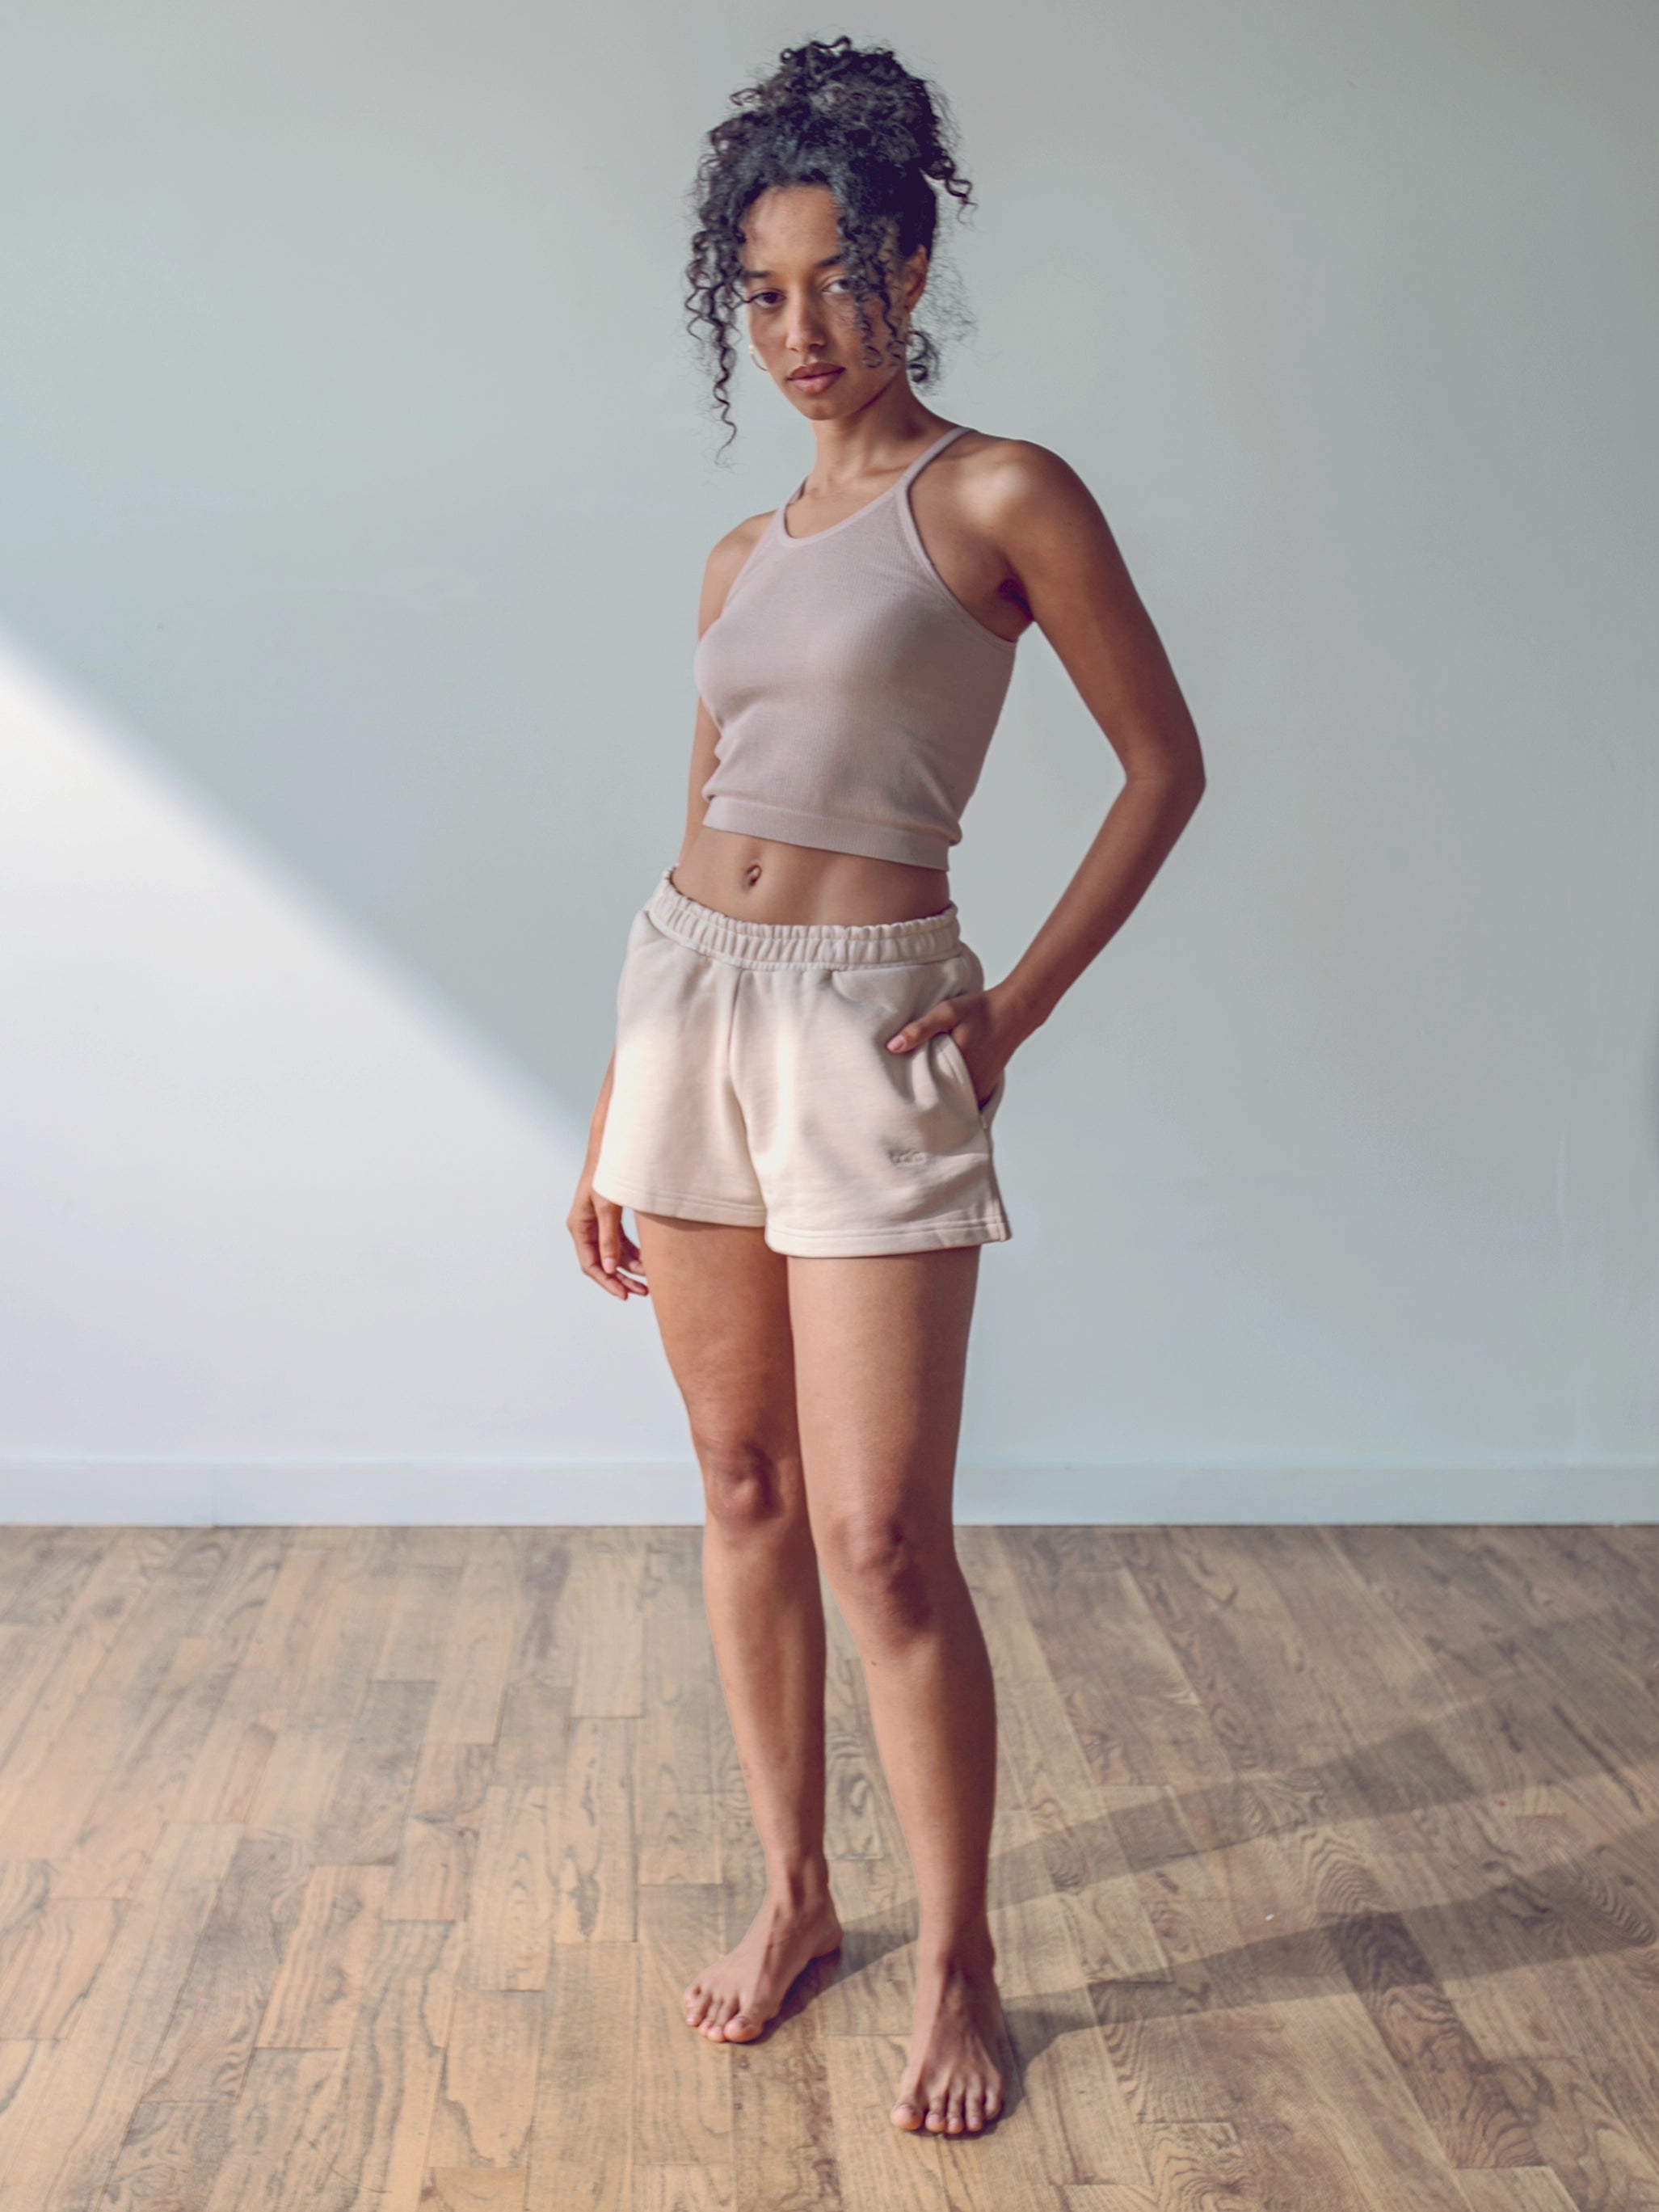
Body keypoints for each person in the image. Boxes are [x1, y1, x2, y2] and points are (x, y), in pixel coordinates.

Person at [568, 35, 1205, 2138]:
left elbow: (1162, 768)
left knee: (884, 1535)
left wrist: (1004, 1011)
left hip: (870, 1018)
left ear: (913, 267)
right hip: (694, 1013)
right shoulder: (741, 559)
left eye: (840, 279)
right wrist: (613, 1108)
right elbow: (697, 823)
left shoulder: (1001, 494)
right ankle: (798, 1896)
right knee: (742, 1492)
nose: (802, 329)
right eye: (762, 292)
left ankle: (960, 1953)